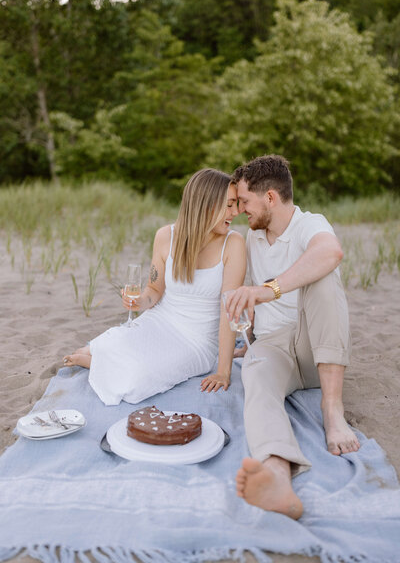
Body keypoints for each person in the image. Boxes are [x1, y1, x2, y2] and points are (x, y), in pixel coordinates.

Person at [224, 154, 360, 520]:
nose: (240, 211)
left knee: (324, 276)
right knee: (254, 377)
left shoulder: (309, 224)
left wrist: (268, 290)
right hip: (273, 347)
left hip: (315, 346)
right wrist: (245, 340)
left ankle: (332, 410)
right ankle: (277, 474)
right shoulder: (250, 239)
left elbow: (331, 252)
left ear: (270, 197)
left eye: (246, 202)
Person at [63, 168, 246, 405]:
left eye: (237, 204)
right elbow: (154, 290)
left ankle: (94, 362)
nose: (237, 212)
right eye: (229, 205)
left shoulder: (233, 244)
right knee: (104, 345)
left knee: (137, 380)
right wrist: (138, 302)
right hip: (160, 320)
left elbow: (228, 311)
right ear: (207, 204)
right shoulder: (165, 236)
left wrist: (223, 371)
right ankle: (98, 357)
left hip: (198, 341)